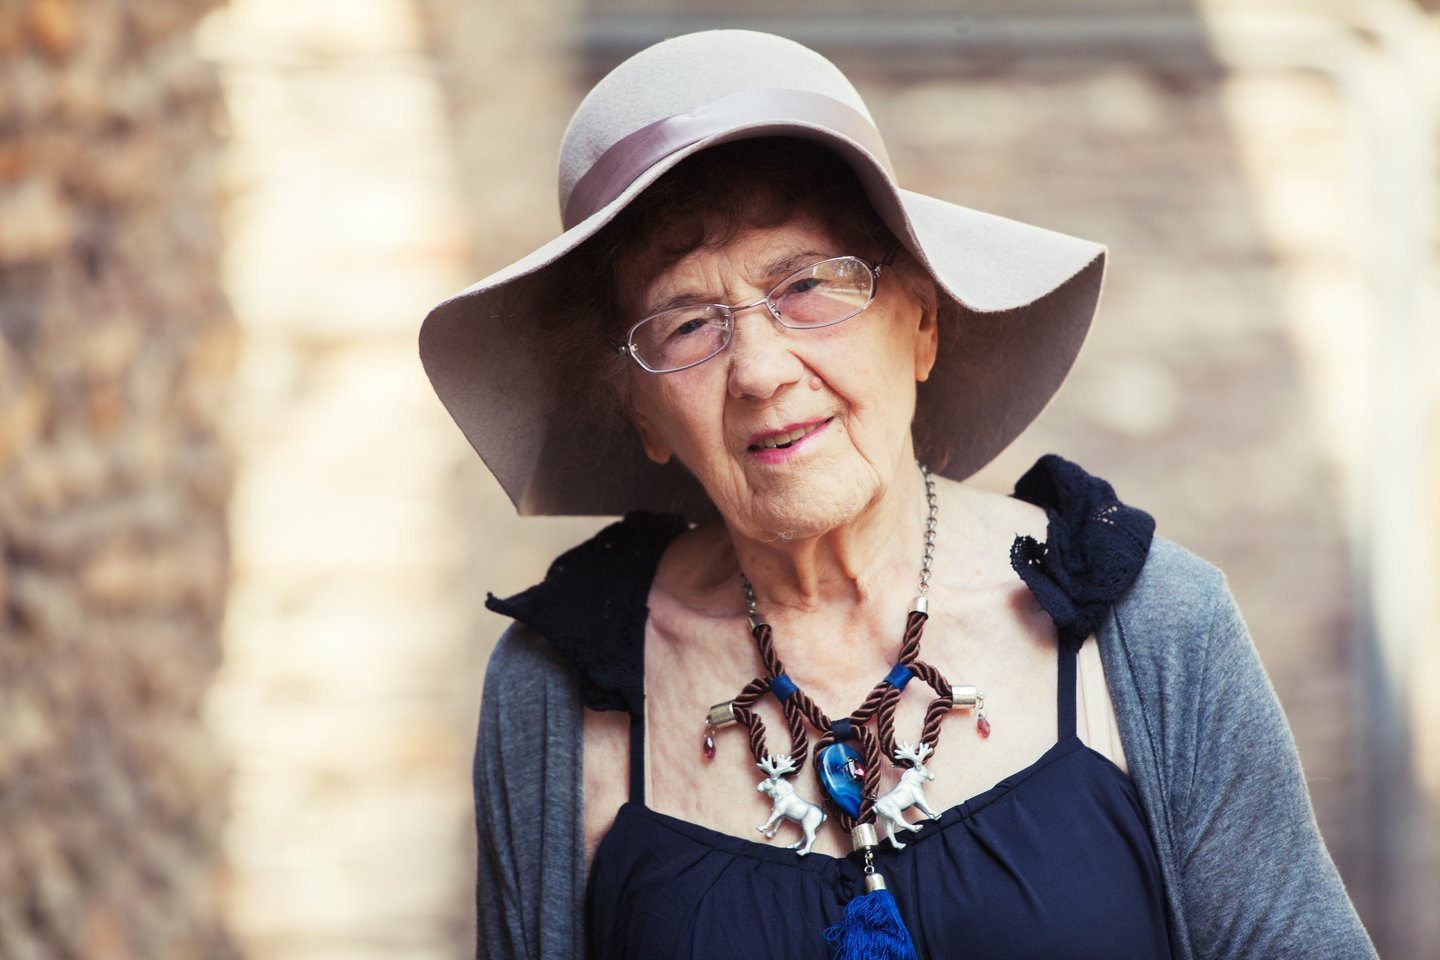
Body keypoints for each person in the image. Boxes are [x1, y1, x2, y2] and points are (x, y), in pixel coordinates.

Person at [420, 30, 1375, 960]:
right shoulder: (554, 693)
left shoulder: (1154, 628)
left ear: (922, 321)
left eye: (807, 285)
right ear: (642, 413)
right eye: (686, 326)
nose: (760, 371)